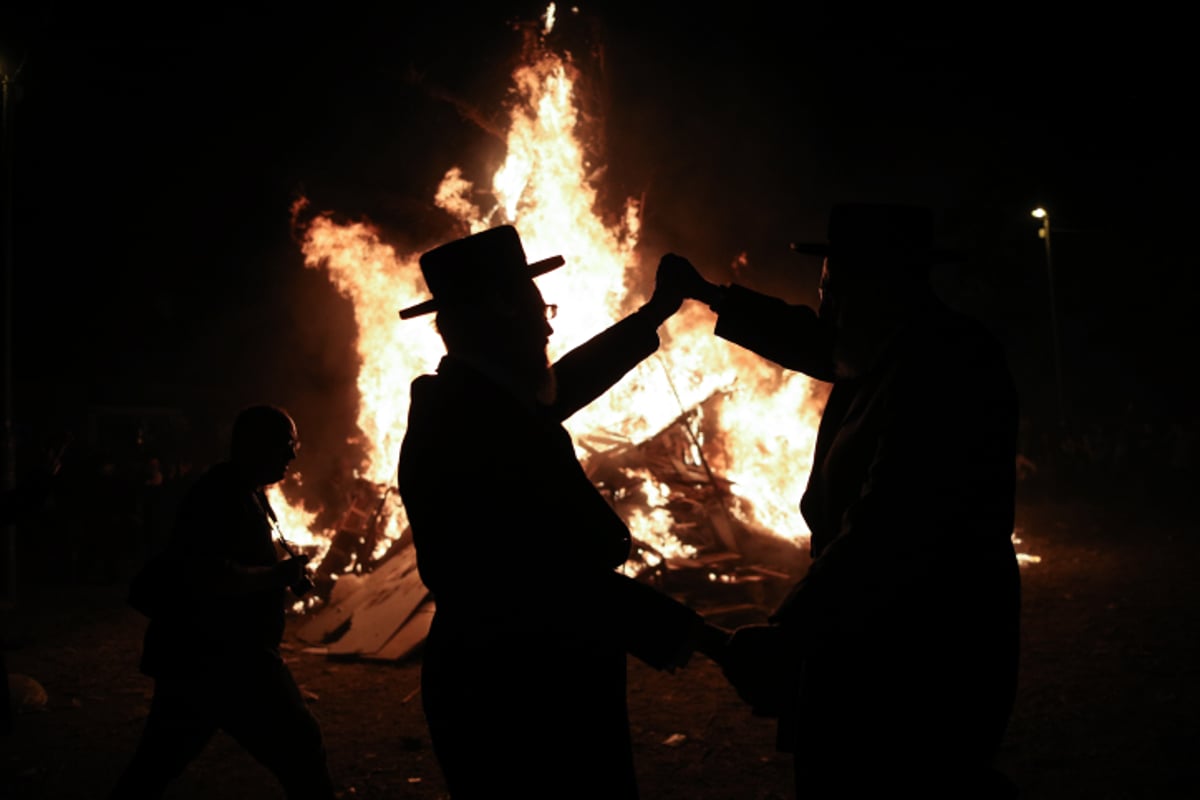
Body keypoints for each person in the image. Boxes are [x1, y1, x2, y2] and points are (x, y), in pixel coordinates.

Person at [660, 203, 1022, 798]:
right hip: (871, 637)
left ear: (877, 287)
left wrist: (789, 629)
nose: (824, 304)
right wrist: (707, 294)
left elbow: (888, 531)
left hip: (924, 655)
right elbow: (812, 336)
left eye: (832, 288)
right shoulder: (891, 345)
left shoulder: (944, 366)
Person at [396, 224, 730, 799]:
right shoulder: (474, 427)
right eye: (538, 308)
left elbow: (565, 382)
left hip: (515, 679)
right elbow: (555, 583)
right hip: (521, 695)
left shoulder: (477, 403)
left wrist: (653, 316)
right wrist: (711, 642)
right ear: (502, 310)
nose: (549, 324)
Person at [109, 404, 336, 799]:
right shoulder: (220, 496)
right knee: (302, 748)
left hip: (203, 659)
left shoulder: (242, 492)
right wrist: (278, 575)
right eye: (286, 444)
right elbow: (211, 576)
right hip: (229, 659)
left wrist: (280, 574)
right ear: (255, 445)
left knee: (157, 763)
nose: (293, 454)